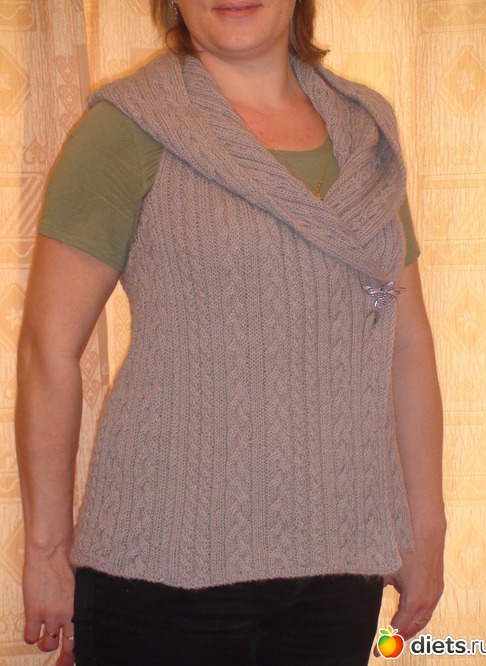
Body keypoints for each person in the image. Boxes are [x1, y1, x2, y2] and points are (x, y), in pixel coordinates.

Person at [15, 1, 446, 664]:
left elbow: (408, 343)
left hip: (339, 569)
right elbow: (48, 349)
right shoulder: (127, 128)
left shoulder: (366, 136)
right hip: (159, 568)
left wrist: (425, 526)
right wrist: (46, 550)